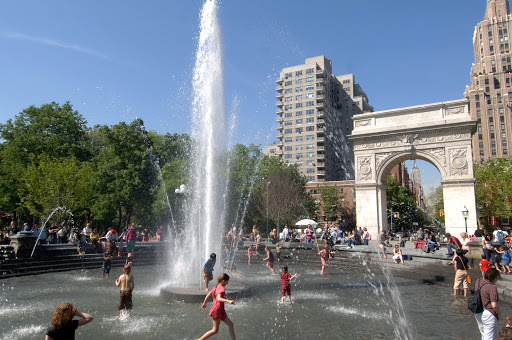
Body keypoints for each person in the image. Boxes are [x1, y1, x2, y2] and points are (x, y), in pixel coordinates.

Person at [198, 273, 236, 340]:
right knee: (215, 330)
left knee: (231, 324)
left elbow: (209, 294)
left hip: (220, 310)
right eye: (227, 281)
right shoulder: (221, 288)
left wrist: (204, 303)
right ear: (223, 280)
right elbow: (218, 298)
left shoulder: (217, 286)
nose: (227, 283)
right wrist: (229, 301)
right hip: (217, 310)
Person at [474, 268, 501, 340]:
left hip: (478, 311)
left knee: (483, 335)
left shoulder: (478, 281)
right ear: (496, 277)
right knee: (489, 337)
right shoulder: (492, 287)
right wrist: (498, 313)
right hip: (489, 313)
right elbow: (494, 305)